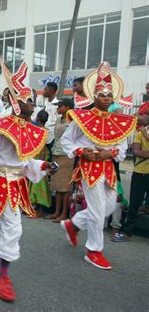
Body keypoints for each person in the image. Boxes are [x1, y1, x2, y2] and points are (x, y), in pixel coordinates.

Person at [0, 60, 53, 302]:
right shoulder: (3, 129)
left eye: (33, 100)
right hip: (3, 182)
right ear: (17, 102)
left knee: (6, 227)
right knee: (13, 228)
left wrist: (44, 166)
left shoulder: (29, 129)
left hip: (19, 183)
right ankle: (3, 275)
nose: (33, 104)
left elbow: (26, 162)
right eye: (29, 100)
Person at [60, 61, 136, 270]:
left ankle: (73, 224)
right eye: (102, 94)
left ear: (113, 98)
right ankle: (94, 250)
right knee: (96, 209)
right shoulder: (81, 117)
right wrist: (81, 151)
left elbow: (121, 146)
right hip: (89, 168)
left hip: (108, 169)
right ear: (94, 96)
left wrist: (109, 152)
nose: (106, 98)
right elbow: (67, 140)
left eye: (109, 95)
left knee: (109, 206)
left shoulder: (118, 121)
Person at [114, 106, 149, 241]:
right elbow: (136, 152)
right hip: (140, 172)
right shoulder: (139, 133)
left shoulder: (142, 134)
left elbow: (140, 152)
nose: (146, 118)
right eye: (146, 115)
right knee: (134, 203)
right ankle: (127, 232)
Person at [47, 98, 75, 223]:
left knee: (66, 186)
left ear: (68, 107)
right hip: (56, 152)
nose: (58, 108)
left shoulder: (73, 121)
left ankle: (64, 213)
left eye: (60, 106)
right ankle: (57, 211)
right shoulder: (59, 119)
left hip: (66, 154)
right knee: (57, 185)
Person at [28, 110, 52, 218]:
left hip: (39, 159)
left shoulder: (40, 131)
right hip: (39, 158)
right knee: (36, 183)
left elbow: (42, 149)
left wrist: (41, 162)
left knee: (39, 184)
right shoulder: (47, 131)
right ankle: (35, 208)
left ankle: (40, 210)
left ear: (37, 119)